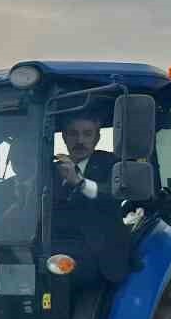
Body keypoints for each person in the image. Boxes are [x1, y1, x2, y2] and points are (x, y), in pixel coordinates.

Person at [50, 112, 131, 287]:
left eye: (87, 134)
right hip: (55, 254)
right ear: (64, 137)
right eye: (73, 133)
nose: (80, 140)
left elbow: (114, 195)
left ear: (97, 137)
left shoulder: (113, 164)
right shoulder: (51, 170)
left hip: (100, 260)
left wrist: (80, 183)